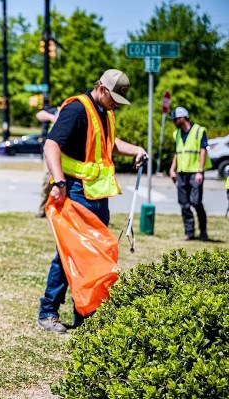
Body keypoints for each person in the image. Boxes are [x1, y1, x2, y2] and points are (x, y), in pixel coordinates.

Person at [36, 69, 148, 334]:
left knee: (95, 254)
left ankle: (85, 312)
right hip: (74, 192)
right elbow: (51, 145)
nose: (116, 106)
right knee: (70, 253)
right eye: (114, 100)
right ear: (102, 89)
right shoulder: (77, 109)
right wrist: (59, 183)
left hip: (97, 195)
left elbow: (109, 143)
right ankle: (48, 311)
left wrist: (135, 149)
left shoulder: (105, 112)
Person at [168, 107, 212, 241]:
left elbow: (203, 151)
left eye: (175, 119)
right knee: (184, 203)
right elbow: (178, 152)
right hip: (181, 172)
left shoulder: (199, 131)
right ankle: (189, 232)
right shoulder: (177, 134)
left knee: (195, 201)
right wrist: (172, 169)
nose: (174, 122)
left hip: (195, 172)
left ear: (182, 118)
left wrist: (200, 171)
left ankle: (203, 231)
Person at [35, 106, 59, 218]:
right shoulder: (55, 110)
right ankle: (42, 210)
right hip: (50, 150)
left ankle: (57, 211)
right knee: (47, 178)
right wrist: (52, 117)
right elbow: (39, 115)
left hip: (66, 151)